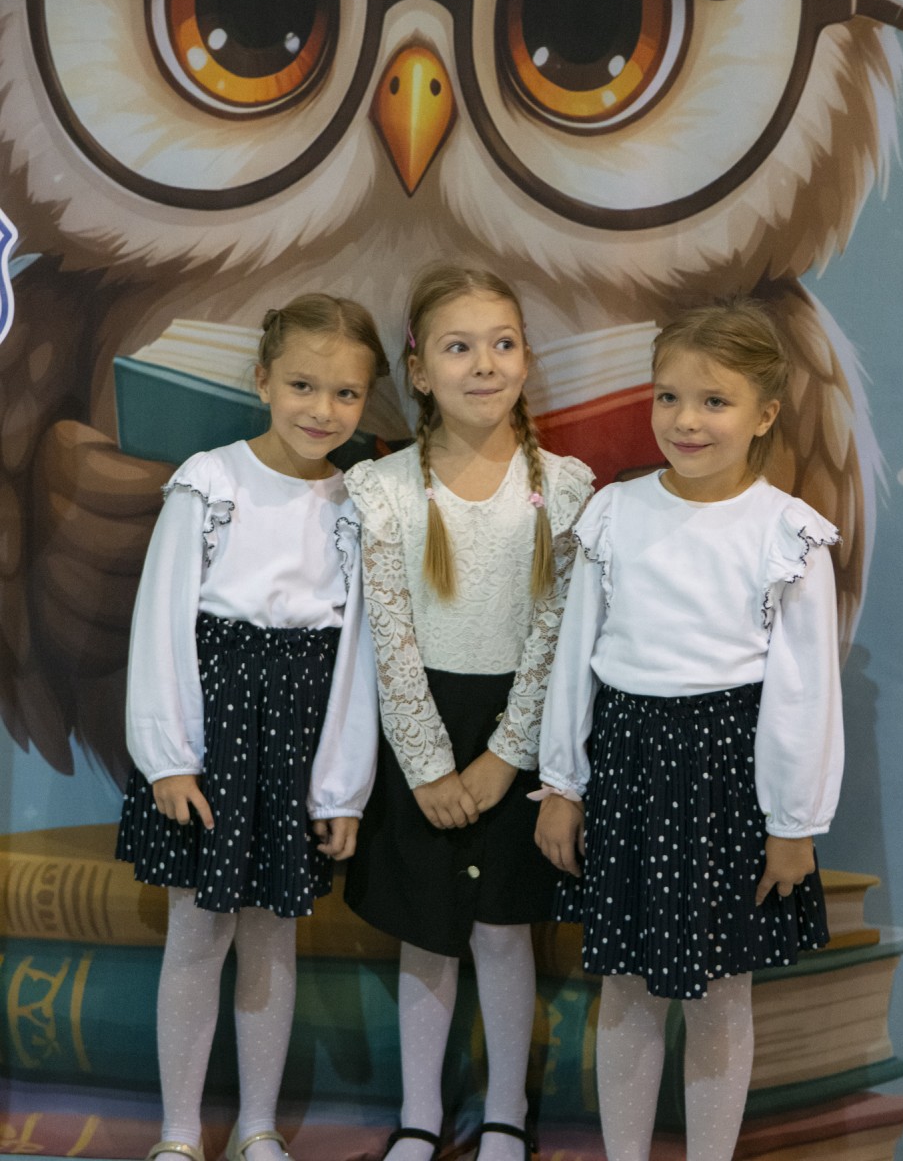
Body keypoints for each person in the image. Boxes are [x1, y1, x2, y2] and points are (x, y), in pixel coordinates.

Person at [535, 299, 844, 1161]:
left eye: (714, 401)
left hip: (727, 777)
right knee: (627, 988)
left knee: (720, 994)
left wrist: (792, 824)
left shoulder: (785, 533)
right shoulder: (614, 512)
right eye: (668, 397)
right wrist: (561, 784)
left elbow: (803, 694)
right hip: (628, 764)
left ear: (764, 414)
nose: (685, 420)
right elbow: (576, 657)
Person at [116, 294, 389, 1161]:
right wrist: (167, 759)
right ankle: (177, 1133)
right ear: (263, 380)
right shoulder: (211, 481)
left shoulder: (361, 503)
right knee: (198, 933)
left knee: (274, 934)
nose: (322, 410)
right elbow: (161, 624)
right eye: (303, 385)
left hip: (298, 741)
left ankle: (258, 1126)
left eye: (345, 393)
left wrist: (340, 788)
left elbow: (358, 656)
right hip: (211, 736)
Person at [342, 264, 593, 1161]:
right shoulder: (381, 490)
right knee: (427, 933)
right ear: (418, 371)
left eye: (502, 344)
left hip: (515, 734)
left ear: (524, 358)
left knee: (501, 930)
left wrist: (504, 757)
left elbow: (556, 637)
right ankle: (419, 1115)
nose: (483, 364)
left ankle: (504, 1115)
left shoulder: (564, 488)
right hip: (421, 731)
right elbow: (387, 641)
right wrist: (427, 766)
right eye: (458, 347)